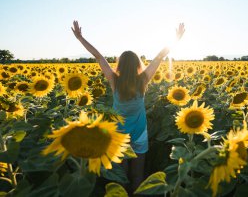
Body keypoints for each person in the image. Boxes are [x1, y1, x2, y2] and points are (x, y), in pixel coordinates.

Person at [71, 20, 185, 195]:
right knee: (138, 175)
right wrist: (176, 38)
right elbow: (159, 57)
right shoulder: (143, 80)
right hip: (139, 133)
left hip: (119, 135)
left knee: (121, 176)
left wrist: (80, 38)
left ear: (120, 65)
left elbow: (99, 57)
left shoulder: (114, 81)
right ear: (138, 65)